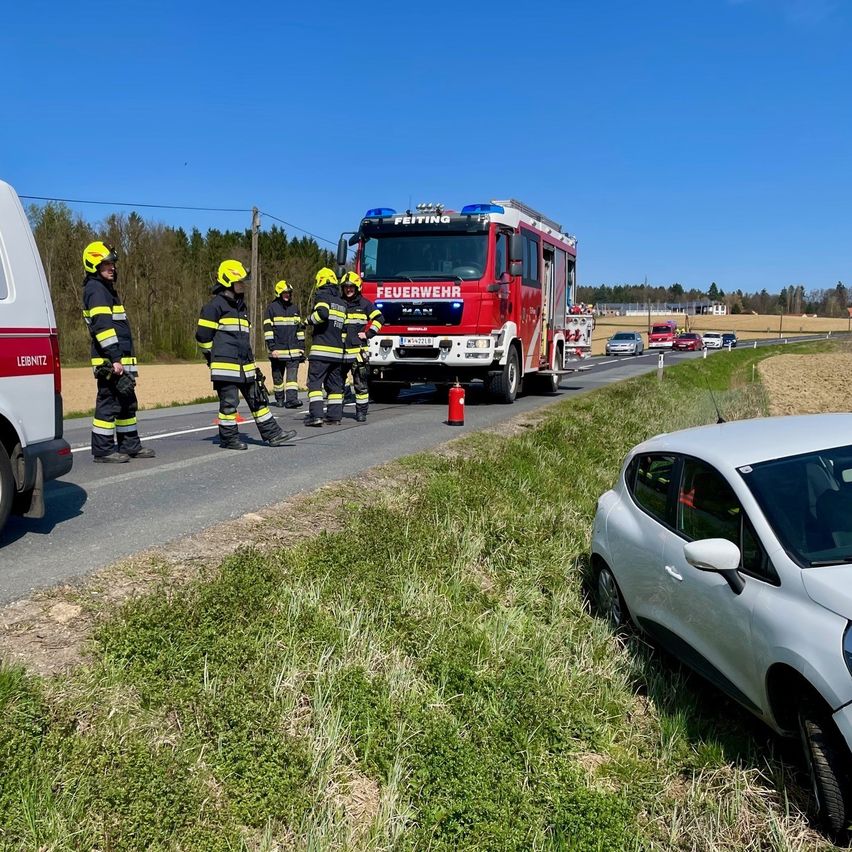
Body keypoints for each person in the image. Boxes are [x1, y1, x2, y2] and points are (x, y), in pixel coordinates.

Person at [196, 260, 296, 450]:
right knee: (229, 405)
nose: (243, 285)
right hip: (226, 366)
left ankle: (273, 434)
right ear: (228, 282)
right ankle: (228, 439)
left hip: (245, 364)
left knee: (258, 398)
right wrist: (213, 357)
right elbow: (202, 337)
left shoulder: (240, 307)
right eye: (239, 282)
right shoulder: (214, 306)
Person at [81, 241, 155, 463]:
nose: (112, 267)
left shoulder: (107, 291)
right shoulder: (96, 290)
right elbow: (103, 328)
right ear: (94, 265)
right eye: (106, 264)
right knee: (109, 402)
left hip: (119, 359)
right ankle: (103, 451)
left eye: (112, 263)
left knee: (126, 402)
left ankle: (130, 445)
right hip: (110, 360)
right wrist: (114, 358)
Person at [304, 267, 346, 427]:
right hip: (337, 352)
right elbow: (344, 328)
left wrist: (307, 320)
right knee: (334, 386)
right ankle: (334, 417)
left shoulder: (322, 296)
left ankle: (316, 416)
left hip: (321, 350)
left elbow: (322, 314)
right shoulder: (342, 303)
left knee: (314, 384)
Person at [340, 271, 384, 422]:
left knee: (361, 385)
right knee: (337, 383)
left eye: (351, 287)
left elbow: (380, 318)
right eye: (346, 287)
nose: (348, 289)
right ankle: (336, 411)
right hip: (341, 351)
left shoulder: (365, 304)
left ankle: (361, 412)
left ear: (357, 287)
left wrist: (369, 333)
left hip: (359, 352)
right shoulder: (338, 303)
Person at [263, 279, 304, 409]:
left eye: (289, 293)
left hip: (293, 352)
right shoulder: (271, 308)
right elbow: (268, 330)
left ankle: (292, 400)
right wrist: (272, 348)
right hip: (278, 352)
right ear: (279, 293)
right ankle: (279, 399)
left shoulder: (294, 308)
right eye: (285, 293)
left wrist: (301, 348)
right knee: (278, 378)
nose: (287, 295)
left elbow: (299, 330)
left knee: (292, 380)